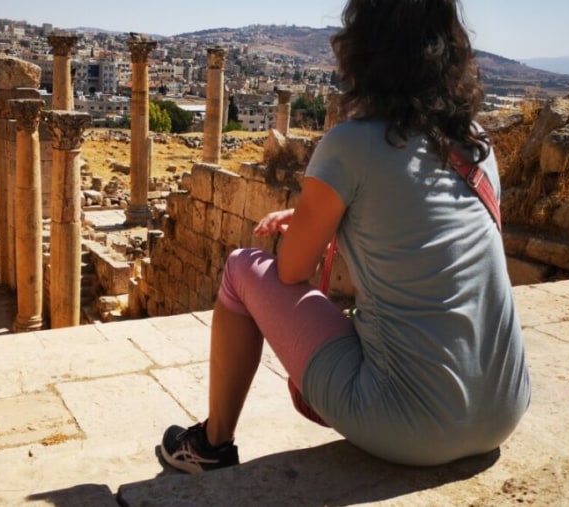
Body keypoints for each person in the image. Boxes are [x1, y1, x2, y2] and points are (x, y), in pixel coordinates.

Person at [160, 0, 531, 473]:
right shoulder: (476, 143)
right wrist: (317, 214)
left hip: (412, 426)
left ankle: (211, 445)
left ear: (362, 48)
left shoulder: (351, 145)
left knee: (239, 272)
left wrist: (317, 221)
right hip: (503, 412)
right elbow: (411, 225)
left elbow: (293, 271)